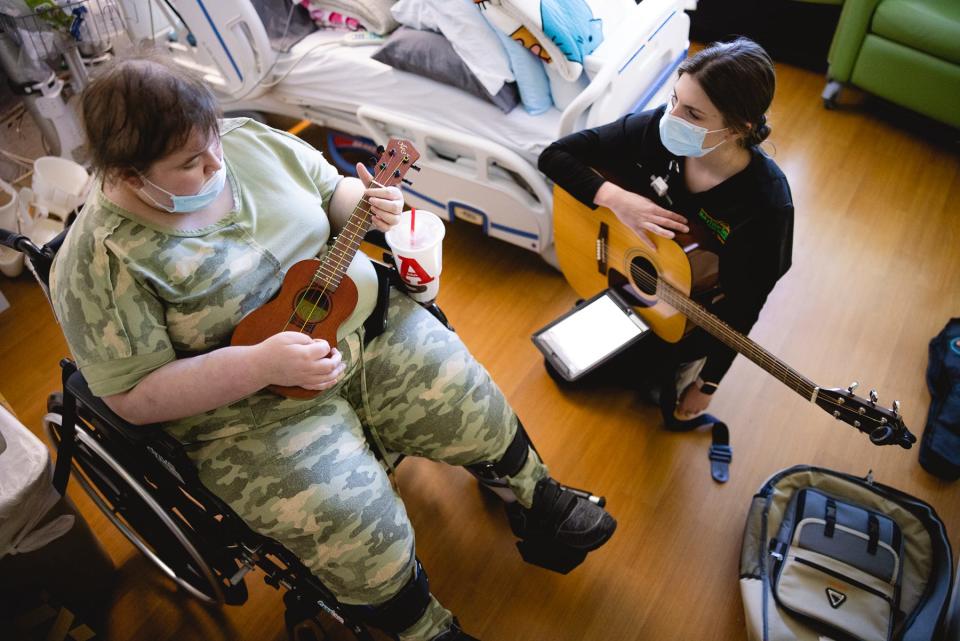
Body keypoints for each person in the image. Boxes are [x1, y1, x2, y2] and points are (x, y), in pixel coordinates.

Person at [49, 55, 616, 641]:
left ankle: (531, 493)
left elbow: (332, 194)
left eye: (212, 140)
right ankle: (418, 626)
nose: (217, 163)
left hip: (366, 330)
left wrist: (369, 207)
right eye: (190, 164)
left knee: (467, 394)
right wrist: (258, 364)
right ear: (127, 174)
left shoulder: (251, 143)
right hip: (248, 415)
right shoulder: (98, 262)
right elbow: (134, 397)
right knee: (356, 522)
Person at [538, 37, 794, 423]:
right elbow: (554, 155)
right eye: (674, 99)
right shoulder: (656, 131)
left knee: (649, 388)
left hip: (690, 310)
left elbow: (745, 309)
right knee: (560, 367)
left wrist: (709, 384)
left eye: (693, 114)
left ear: (739, 127)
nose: (671, 118)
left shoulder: (766, 206)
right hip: (626, 272)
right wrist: (617, 200)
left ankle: (681, 366)